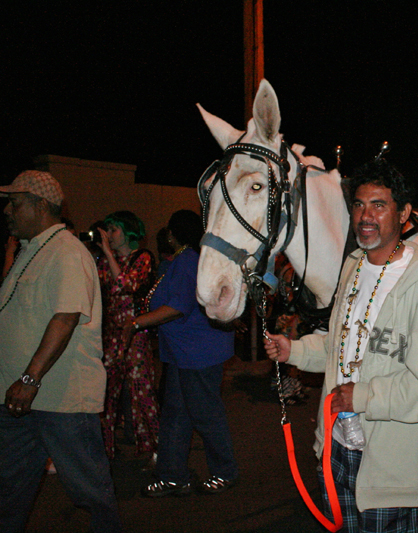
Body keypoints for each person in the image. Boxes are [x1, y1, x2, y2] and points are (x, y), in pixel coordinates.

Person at [264, 158, 418, 532]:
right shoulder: (354, 266)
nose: (365, 215)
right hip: (338, 447)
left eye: (379, 205)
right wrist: (292, 351)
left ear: (404, 213)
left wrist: (361, 398)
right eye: (359, 204)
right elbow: (342, 346)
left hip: (390, 462)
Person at [0, 170, 122, 532]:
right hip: (22, 399)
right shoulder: (30, 251)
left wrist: (29, 377)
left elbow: (65, 318)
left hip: (59, 399)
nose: (7, 210)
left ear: (40, 206)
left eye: (15, 202)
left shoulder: (67, 252)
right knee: (9, 490)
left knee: (92, 492)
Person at [128, 210, 239, 497]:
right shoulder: (183, 260)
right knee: (176, 415)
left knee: (205, 415)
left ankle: (224, 472)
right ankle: (173, 476)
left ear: (174, 233)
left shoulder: (189, 261)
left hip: (198, 354)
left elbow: (178, 307)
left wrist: (136, 324)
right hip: (183, 352)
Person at [96, 210, 159, 462]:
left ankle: (154, 449)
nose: (109, 235)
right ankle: (106, 449)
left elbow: (127, 285)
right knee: (107, 393)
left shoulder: (142, 258)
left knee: (141, 393)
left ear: (128, 232)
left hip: (135, 334)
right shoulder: (103, 262)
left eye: (114, 230)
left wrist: (109, 255)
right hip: (111, 335)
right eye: (107, 230)